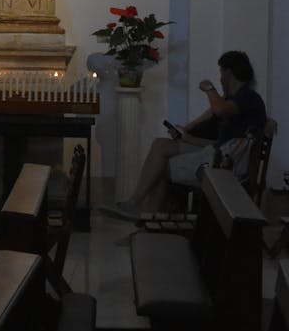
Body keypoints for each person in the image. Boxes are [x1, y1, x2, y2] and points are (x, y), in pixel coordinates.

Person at [104, 50, 267, 218]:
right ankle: (139, 210)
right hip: (219, 152)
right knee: (160, 144)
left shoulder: (247, 97)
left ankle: (142, 213)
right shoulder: (239, 97)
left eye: (221, 72)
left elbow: (218, 110)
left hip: (225, 163)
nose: (220, 78)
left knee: (159, 166)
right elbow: (215, 120)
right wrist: (187, 133)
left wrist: (209, 88)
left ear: (228, 72)